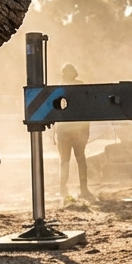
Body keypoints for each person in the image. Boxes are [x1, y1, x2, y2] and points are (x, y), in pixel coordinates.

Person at [56, 63, 95, 201]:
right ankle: (81, 189)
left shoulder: (59, 89)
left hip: (67, 129)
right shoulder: (80, 86)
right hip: (75, 129)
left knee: (66, 161)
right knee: (78, 159)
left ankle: (64, 189)